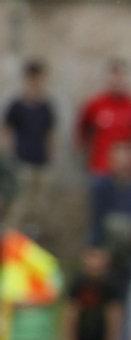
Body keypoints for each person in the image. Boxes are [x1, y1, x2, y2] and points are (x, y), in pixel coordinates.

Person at [3, 59, 56, 236]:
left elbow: (49, 133)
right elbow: (7, 129)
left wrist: (49, 157)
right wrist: (11, 154)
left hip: (40, 163)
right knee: (19, 205)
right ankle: (11, 241)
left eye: (38, 79)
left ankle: (32, 239)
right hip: (22, 162)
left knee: (38, 208)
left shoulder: (45, 107)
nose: (35, 83)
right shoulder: (17, 105)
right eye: (32, 78)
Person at [88, 141, 131, 288]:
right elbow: (97, 219)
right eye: (120, 160)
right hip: (106, 243)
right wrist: (95, 247)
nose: (124, 164)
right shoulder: (102, 186)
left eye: (127, 160)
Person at [76, 59, 131, 177]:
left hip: (126, 172)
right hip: (100, 168)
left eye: (120, 77)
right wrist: (88, 150)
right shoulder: (95, 104)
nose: (117, 81)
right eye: (114, 76)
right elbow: (81, 130)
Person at [60, 247, 122, 340]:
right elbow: (71, 312)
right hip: (81, 336)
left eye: (98, 268)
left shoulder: (111, 284)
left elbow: (113, 314)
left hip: (101, 335)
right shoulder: (78, 283)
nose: (94, 270)